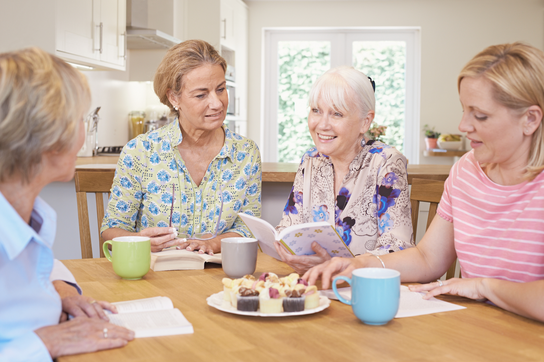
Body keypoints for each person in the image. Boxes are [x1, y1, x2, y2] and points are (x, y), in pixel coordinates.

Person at [305, 42, 544, 323]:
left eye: (480, 115)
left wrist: (483, 286)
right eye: (464, 110)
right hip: (475, 329)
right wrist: (360, 264)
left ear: (530, 119)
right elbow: (428, 258)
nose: (463, 126)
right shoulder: (465, 171)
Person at [0, 48, 134, 361]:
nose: (83, 133)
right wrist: (44, 344)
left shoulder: (25, 215)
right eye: (79, 120)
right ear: (49, 137)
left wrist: (59, 292)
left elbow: (30, 270)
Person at [101, 40, 261, 255]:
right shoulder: (141, 151)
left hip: (220, 279)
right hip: (153, 279)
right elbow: (112, 229)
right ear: (174, 97)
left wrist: (212, 244)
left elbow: (248, 228)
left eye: (221, 89)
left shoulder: (246, 153)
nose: (217, 103)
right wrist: (139, 241)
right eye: (201, 94)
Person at [274, 66, 414, 274]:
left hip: (362, 291)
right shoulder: (311, 160)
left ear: (365, 122)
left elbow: (397, 247)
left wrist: (338, 265)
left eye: (336, 114)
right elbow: (287, 228)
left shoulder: (385, 163)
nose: (322, 124)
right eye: (316, 111)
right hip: (315, 285)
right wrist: (285, 249)